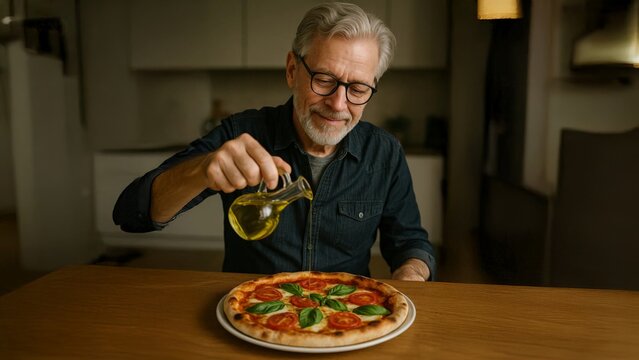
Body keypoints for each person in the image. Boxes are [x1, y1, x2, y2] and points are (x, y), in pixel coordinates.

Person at [113, 2, 435, 281]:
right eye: (324, 79)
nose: (338, 104)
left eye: (358, 89)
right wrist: (201, 170)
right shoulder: (242, 133)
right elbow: (131, 214)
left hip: (343, 321)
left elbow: (409, 242)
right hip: (251, 314)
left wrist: (411, 274)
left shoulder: (385, 152)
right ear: (292, 70)